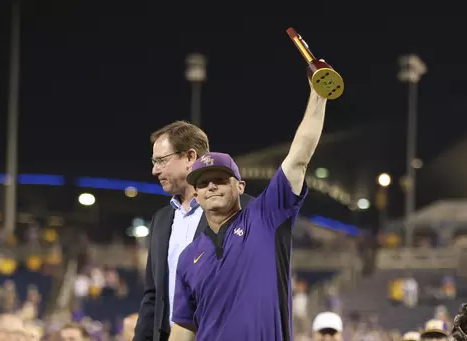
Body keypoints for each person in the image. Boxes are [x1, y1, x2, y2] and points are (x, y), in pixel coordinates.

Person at [169, 78, 328, 340]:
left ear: (240, 187)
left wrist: (318, 96)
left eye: (220, 179)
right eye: (203, 183)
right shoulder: (188, 257)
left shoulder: (266, 218)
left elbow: (299, 158)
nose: (211, 186)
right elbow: (184, 327)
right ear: (195, 194)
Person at [133, 121, 253, 341]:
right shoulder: (161, 220)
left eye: (161, 160)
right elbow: (153, 296)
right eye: (154, 161)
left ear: (190, 157)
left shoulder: (245, 213)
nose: (154, 169)